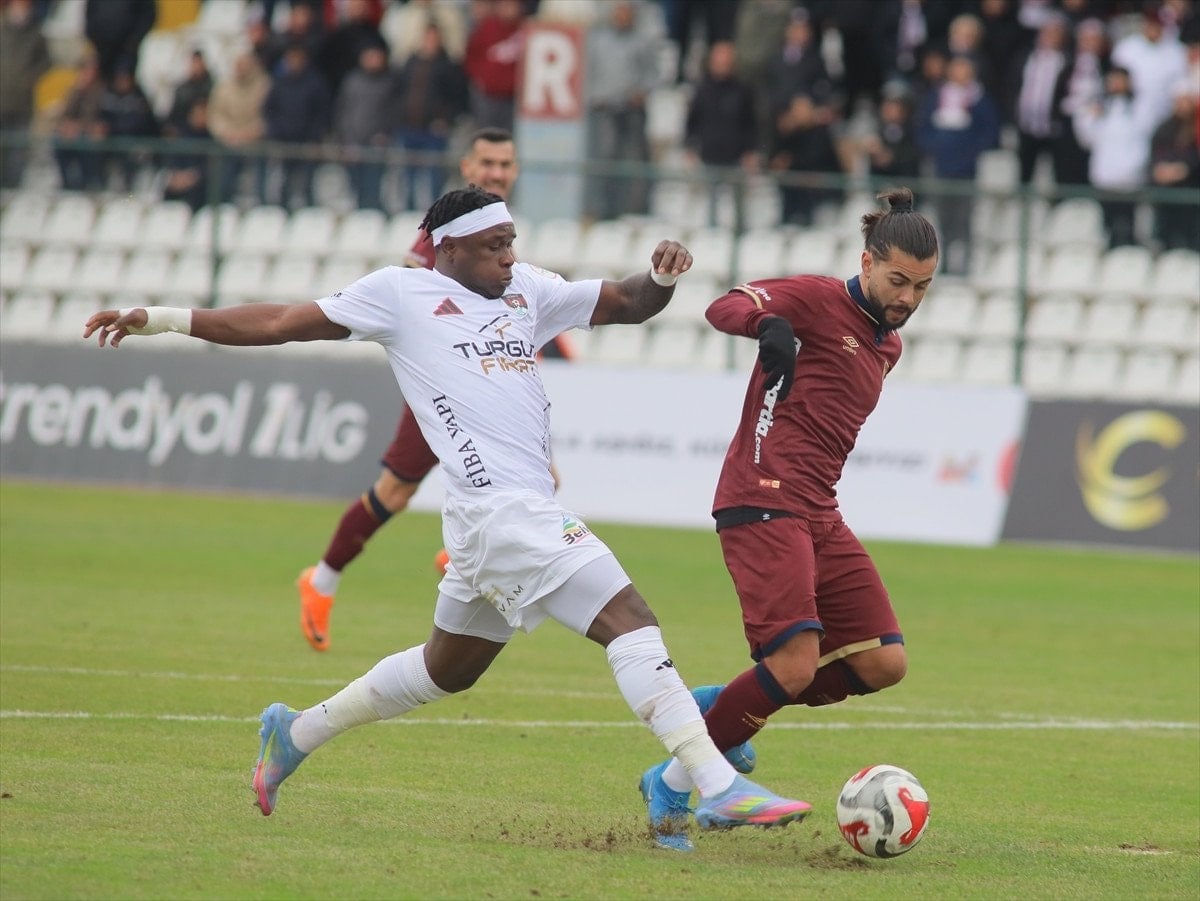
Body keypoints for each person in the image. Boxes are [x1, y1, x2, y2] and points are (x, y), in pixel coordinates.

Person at [83, 185, 812, 847]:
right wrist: (162, 319)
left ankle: (295, 733)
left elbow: (625, 301)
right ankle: (714, 783)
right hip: (501, 511)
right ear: (449, 249)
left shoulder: (526, 289)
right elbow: (278, 321)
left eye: (512, 242)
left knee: (446, 670)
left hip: (498, 517)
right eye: (495, 246)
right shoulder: (400, 294)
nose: (509, 257)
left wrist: (660, 277)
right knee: (631, 619)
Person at [637, 186, 938, 852]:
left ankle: (729, 706)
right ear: (866, 262)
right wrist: (767, 327)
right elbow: (726, 305)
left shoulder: (887, 346)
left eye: (921, 287)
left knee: (884, 662)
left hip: (818, 509)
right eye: (898, 281)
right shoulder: (815, 298)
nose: (908, 298)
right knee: (795, 665)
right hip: (761, 495)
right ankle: (675, 783)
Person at [295, 127, 545, 654]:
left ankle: (457, 558)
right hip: (447, 388)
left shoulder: (503, 235)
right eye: (487, 163)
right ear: (467, 168)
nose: (497, 173)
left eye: (505, 164)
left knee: (427, 489)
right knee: (395, 491)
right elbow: (414, 304)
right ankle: (325, 580)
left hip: (492, 385)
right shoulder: (442, 235)